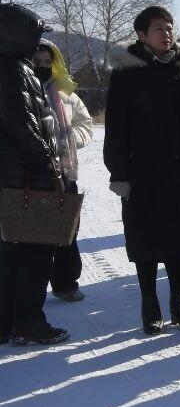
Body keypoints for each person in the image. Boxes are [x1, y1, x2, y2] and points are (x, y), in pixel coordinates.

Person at [104, 6, 180, 334]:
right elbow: (115, 128)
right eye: (159, 28)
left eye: (169, 27)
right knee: (145, 238)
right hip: (141, 171)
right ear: (142, 35)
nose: (167, 33)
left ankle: (179, 302)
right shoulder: (127, 71)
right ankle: (150, 303)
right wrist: (119, 172)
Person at [0, 3, 69, 346]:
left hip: (14, 177)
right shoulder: (13, 69)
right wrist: (48, 163)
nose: (38, 41)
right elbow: (22, 126)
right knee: (35, 254)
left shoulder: (14, 67)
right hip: (25, 178)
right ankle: (28, 321)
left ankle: (7, 323)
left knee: (11, 255)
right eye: (35, 34)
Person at [33, 39, 93, 303]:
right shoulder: (17, 89)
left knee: (67, 229)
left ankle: (66, 282)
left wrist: (67, 138)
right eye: (37, 62)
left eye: (48, 62)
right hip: (31, 171)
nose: (43, 67)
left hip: (64, 170)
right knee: (31, 231)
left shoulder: (65, 92)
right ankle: (30, 288)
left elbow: (85, 123)